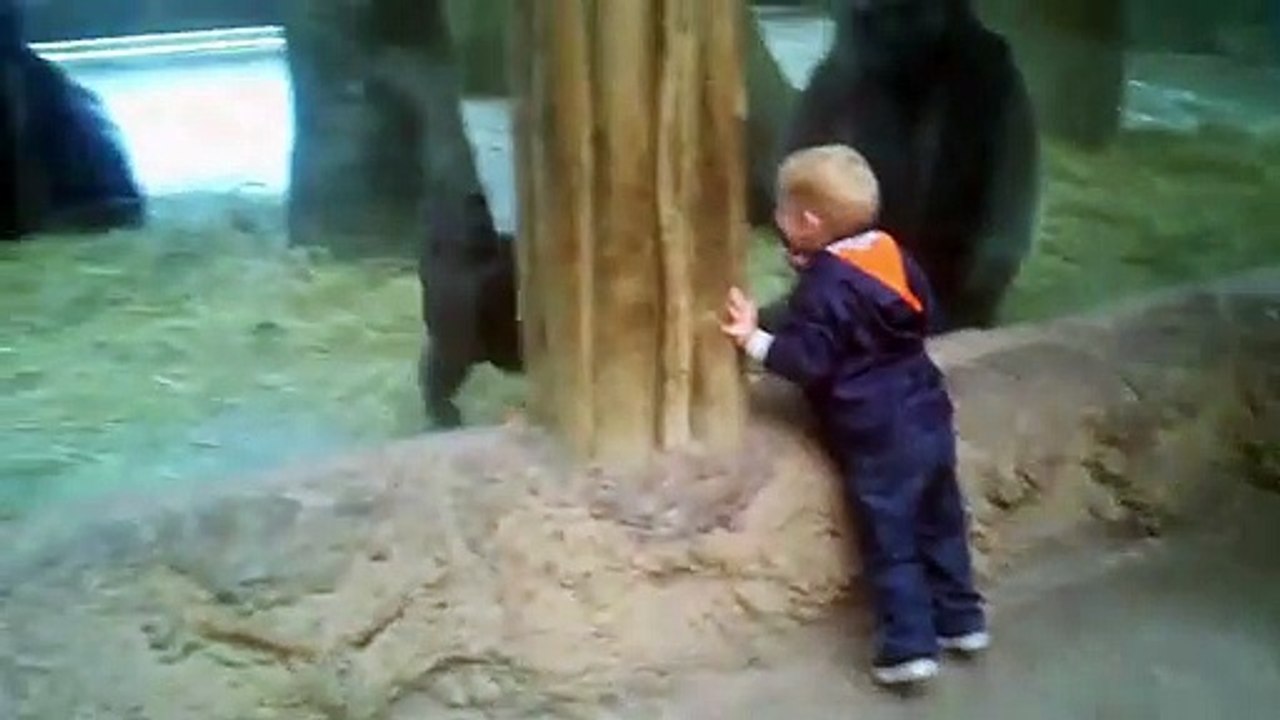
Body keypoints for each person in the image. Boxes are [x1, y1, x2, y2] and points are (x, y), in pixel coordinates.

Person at [720, 143, 988, 688]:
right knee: (941, 522)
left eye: (781, 213)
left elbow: (807, 361)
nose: (774, 221)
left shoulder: (825, 285)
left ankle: (908, 646)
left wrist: (753, 340)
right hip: (928, 414)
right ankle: (962, 620)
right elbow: (925, 313)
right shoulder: (890, 252)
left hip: (877, 434)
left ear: (809, 222)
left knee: (890, 537)